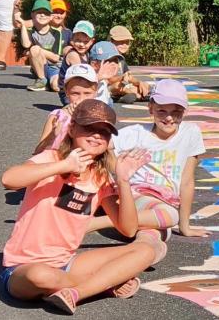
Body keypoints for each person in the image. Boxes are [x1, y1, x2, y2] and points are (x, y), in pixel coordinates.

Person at [0, 100, 155, 314]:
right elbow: (9, 179)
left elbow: (128, 229)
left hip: (66, 263)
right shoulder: (51, 158)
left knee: (146, 250)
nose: (97, 135)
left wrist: (123, 181)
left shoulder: (100, 177)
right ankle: (103, 285)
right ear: (72, 128)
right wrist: (65, 166)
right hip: (23, 268)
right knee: (41, 276)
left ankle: (75, 293)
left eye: (104, 131)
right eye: (89, 127)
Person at [89, 79, 210, 243]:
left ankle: (140, 250)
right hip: (135, 194)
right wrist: (117, 169)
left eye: (176, 111)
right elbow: (104, 145)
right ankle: (96, 223)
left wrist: (185, 226)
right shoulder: (137, 133)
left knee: (159, 234)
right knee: (170, 216)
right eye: (161, 111)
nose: (169, 117)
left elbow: (187, 181)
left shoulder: (191, 133)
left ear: (185, 110)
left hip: (163, 203)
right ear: (150, 108)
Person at [34, 63, 101, 154]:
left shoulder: (100, 117)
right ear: (66, 91)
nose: (81, 99)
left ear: (96, 91)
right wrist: (52, 136)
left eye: (87, 93)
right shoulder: (58, 116)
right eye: (75, 93)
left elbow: (109, 158)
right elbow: (37, 152)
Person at [17, 0, 66, 92]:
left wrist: (38, 50)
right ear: (32, 15)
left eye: (46, 13)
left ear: (51, 16)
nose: (42, 15)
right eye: (39, 12)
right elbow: (26, 44)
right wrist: (23, 26)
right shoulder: (31, 30)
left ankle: (47, 83)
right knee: (34, 49)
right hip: (40, 66)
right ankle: (41, 79)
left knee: (56, 87)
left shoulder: (56, 33)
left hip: (54, 67)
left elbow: (55, 58)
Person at [107, 25, 151, 103]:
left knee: (143, 86)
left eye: (127, 42)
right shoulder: (107, 58)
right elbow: (108, 80)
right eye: (120, 42)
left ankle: (131, 95)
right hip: (108, 88)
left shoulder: (121, 59)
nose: (124, 45)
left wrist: (138, 83)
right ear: (111, 41)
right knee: (119, 86)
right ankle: (118, 97)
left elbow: (129, 77)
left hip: (121, 86)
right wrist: (121, 78)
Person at [57, 21, 95, 104]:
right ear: (72, 40)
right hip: (70, 93)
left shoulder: (87, 54)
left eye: (86, 42)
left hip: (79, 90)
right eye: (78, 40)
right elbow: (81, 76)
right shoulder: (73, 55)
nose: (81, 44)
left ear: (92, 41)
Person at [85, 41, 124, 107]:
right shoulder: (86, 76)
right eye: (108, 61)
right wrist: (98, 77)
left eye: (115, 60)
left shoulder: (103, 81)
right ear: (94, 64)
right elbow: (82, 88)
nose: (113, 64)